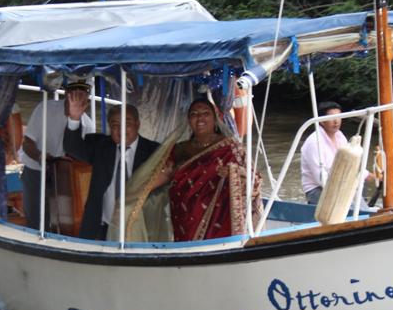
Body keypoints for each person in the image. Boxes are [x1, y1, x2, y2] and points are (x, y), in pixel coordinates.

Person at [150, 97, 260, 242]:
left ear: (215, 119)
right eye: (194, 114)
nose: (200, 117)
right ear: (189, 121)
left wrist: (234, 173)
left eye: (205, 113)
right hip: (183, 216)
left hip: (219, 221)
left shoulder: (231, 147)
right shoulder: (179, 149)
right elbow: (166, 173)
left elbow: (255, 180)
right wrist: (135, 196)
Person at [63, 103, 160, 240]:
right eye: (115, 125)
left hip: (139, 227)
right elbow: (72, 148)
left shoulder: (154, 151)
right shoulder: (100, 146)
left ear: (138, 124)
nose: (121, 129)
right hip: (102, 228)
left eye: (127, 123)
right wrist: (74, 118)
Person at [19, 80, 93, 230]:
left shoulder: (88, 124)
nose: (78, 96)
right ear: (66, 93)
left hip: (65, 178)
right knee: (36, 221)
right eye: (74, 91)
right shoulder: (45, 109)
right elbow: (27, 143)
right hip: (36, 171)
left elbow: (84, 158)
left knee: (66, 222)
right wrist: (41, 157)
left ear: (88, 99)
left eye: (82, 92)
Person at [300, 101, 349, 204]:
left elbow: (350, 163)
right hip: (317, 189)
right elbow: (321, 178)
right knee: (349, 204)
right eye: (332, 118)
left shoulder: (340, 136)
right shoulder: (314, 142)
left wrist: (373, 177)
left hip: (339, 184)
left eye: (339, 117)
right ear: (322, 121)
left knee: (360, 185)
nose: (336, 121)